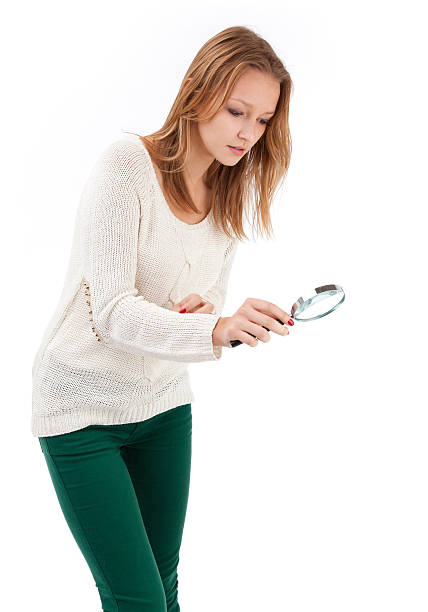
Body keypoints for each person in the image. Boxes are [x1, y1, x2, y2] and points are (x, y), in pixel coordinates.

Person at [32, 25, 294, 612]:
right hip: (81, 409)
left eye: (262, 120)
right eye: (237, 111)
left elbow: (194, 309)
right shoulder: (127, 167)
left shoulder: (230, 194)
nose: (248, 133)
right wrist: (212, 327)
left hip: (164, 405)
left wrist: (214, 317)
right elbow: (116, 312)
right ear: (199, 93)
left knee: (164, 590)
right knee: (138, 600)